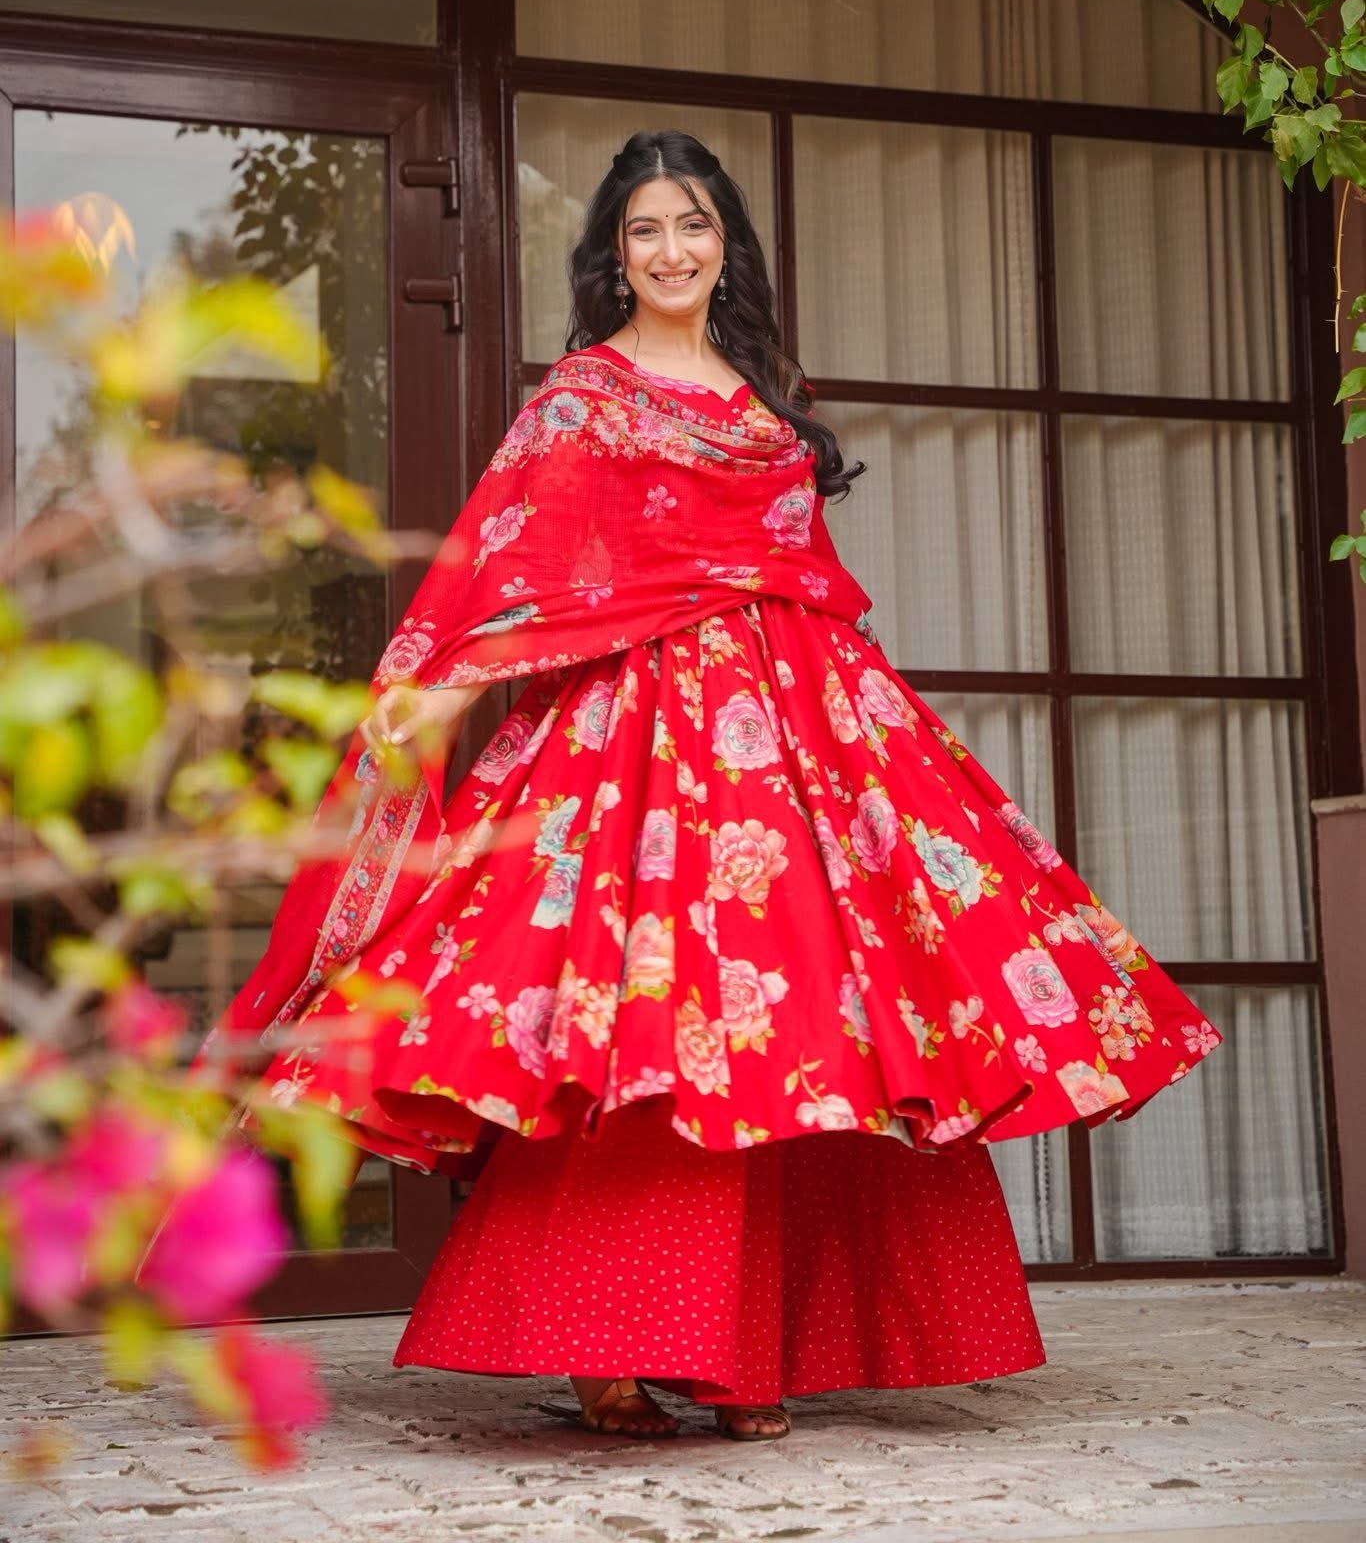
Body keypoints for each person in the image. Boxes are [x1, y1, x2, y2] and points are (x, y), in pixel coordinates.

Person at [204, 129, 1222, 1443]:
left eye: (691, 226)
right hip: (633, 749)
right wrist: (436, 700)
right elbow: (514, 561)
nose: (670, 251)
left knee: (807, 1036)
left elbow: (806, 574)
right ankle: (614, 1348)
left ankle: (759, 1350)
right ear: (613, 257)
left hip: (802, 748)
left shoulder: (764, 393)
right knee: (634, 1036)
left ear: (723, 242)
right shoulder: (584, 396)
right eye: (642, 231)